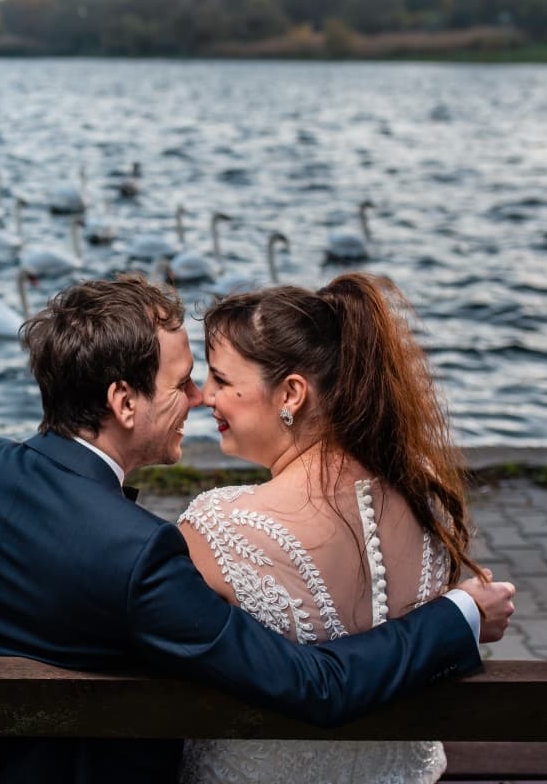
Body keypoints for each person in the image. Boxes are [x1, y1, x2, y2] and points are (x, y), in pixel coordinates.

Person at [0, 273, 515, 784]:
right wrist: (457, 615)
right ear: (124, 403)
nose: (196, 397)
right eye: (181, 382)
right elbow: (316, 686)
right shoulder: (139, 557)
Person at [178, 272, 487, 783]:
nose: (204, 396)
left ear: (291, 393)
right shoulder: (422, 488)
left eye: (222, 380)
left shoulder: (218, 528)